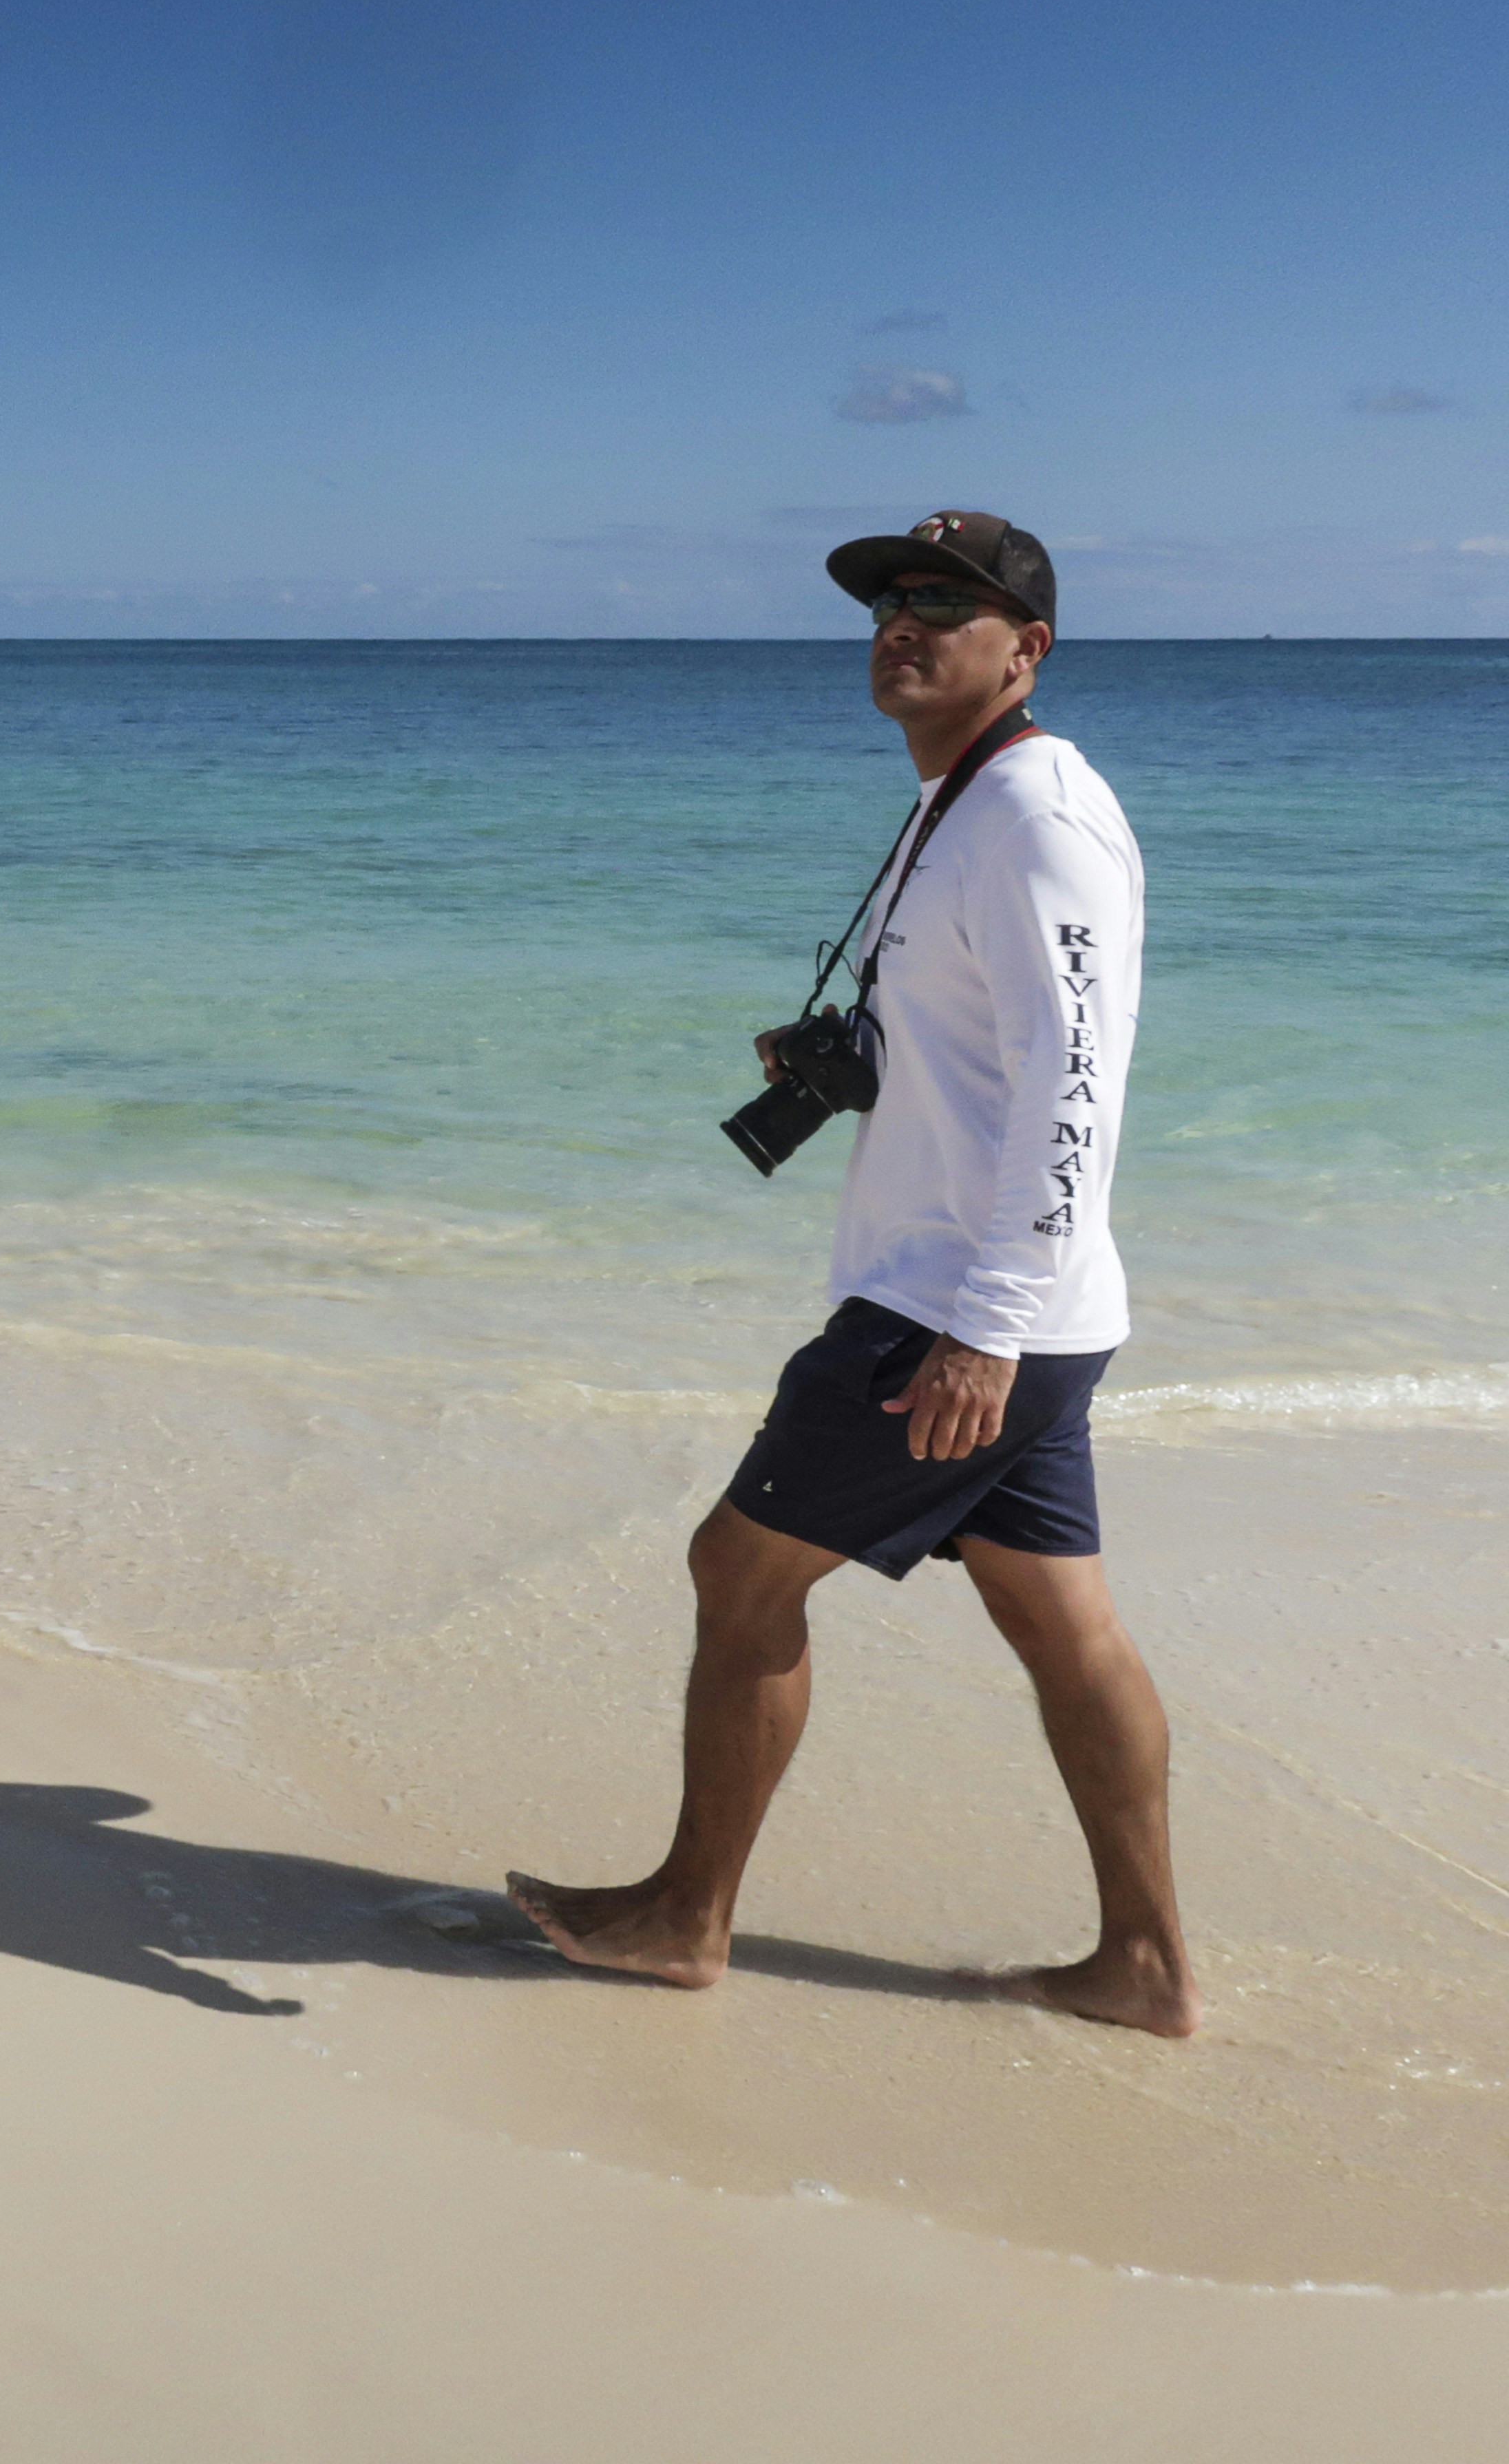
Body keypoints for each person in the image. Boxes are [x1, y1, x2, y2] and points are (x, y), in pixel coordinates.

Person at [511, 509, 1197, 2037]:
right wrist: (864, 1061)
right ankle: (1144, 1970)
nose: (905, 623)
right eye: (891, 601)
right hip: (999, 1303)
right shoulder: (961, 801)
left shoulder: (1038, 817)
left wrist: (987, 1331)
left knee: (737, 1570)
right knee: (1061, 1627)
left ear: (1027, 649)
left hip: (960, 1309)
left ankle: (685, 1919)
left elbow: (1078, 1085)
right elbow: (989, 1049)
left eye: (947, 605)